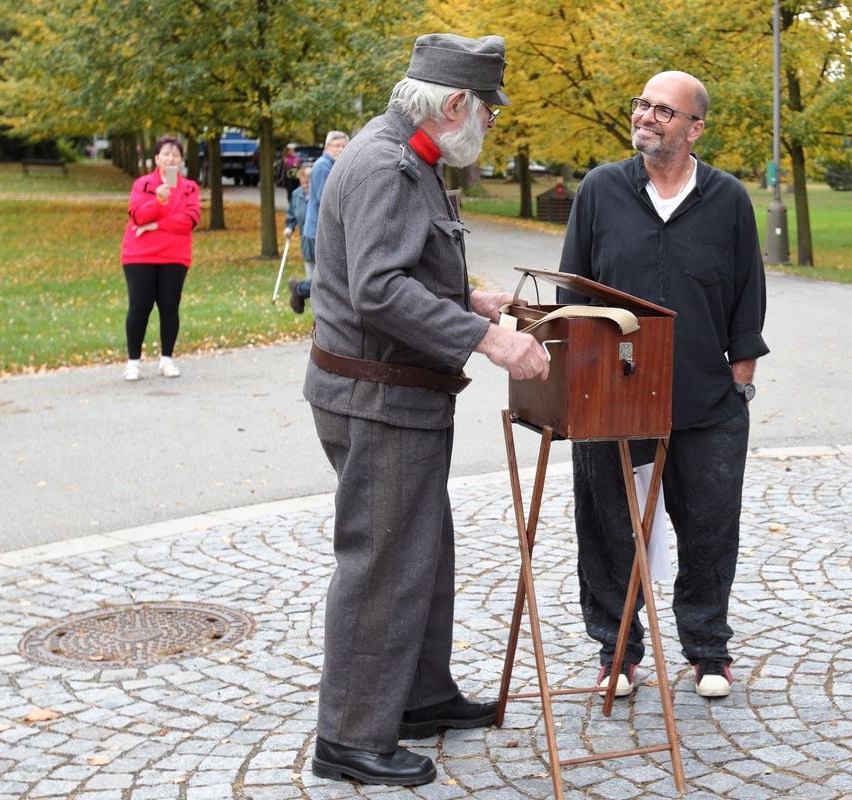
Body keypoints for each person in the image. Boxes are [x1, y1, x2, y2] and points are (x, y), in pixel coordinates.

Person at [303, 33, 549, 787]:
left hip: (395, 395)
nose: (492, 124)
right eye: (487, 110)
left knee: (421, 553)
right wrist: (487, 339)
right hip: (379, 399)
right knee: (382, 565)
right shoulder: (385, 162)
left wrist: (464, 296)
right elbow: (378, 289)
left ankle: (417, 696)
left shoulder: (407, 155)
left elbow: (400, 268)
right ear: (452, 105)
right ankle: (348, 737)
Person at [556, 71, 768, 699]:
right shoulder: (600, 189)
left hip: (704, 398)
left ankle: (707, 652)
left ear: (695, 128)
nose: (647, 116)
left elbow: (746, 291)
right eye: (642, 105)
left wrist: (741, 374)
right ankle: (617, 651)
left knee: (708, 524)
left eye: (664, 111)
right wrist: (577, 378)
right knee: (606, 522)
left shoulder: (728, 199)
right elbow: (574, 288)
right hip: (612, 397)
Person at [119, 135, 201, 381]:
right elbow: (138, 217)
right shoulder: (143, 184)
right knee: (140, 305)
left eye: (175, 154)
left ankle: (167, 359)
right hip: (139, 255)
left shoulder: (189, 188)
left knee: (169, 305)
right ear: (156, 158)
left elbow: (188, 221)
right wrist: (159, 201)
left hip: (175, 255)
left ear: (181, 160)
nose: (171, 158)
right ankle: (133, 361)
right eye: (166, 154)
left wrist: (155, 226)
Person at [288, 130, 348, 313]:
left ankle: (303, 293)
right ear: (326, 147)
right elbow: (325, 199)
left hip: (321, 229)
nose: (341, 149)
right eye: (337, 145)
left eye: (344, 146)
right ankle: (300, 290)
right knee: (331, 275)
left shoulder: (333, 165)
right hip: (319, 230)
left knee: (331, 275)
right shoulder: (323, 166)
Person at [282, 163, 312, 295]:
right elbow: (292, 214)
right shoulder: (296, 194)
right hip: (305, 242)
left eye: (308, 182)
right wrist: (289, 226)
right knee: (311, 276)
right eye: (302, 182)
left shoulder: (319, 194)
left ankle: (299, 290)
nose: (305, 185)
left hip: (320, 242)